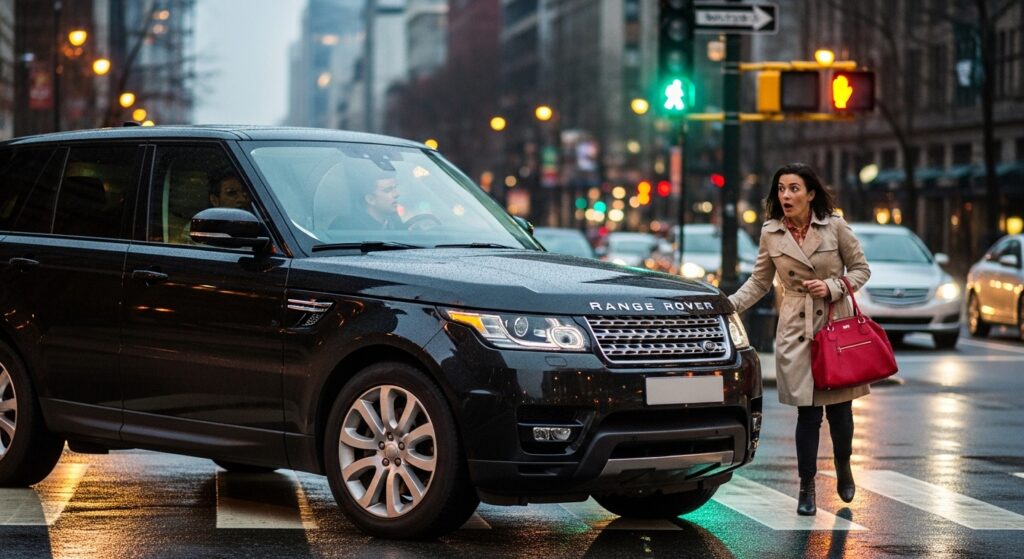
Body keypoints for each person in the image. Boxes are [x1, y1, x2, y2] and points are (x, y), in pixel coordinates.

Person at [728, 162, 871, 516]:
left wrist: (833, 286)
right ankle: (806, 487)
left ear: (810, 193)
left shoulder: (834, 226)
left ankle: (843, 465)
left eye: (794, 188)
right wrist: (728, 305)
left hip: (835, 323)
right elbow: (760, 282)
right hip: (796, 327)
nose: (786, 195)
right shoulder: (771, 233)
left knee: (840, 410)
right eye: (781, 189)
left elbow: (861, 270)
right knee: (807, 414)